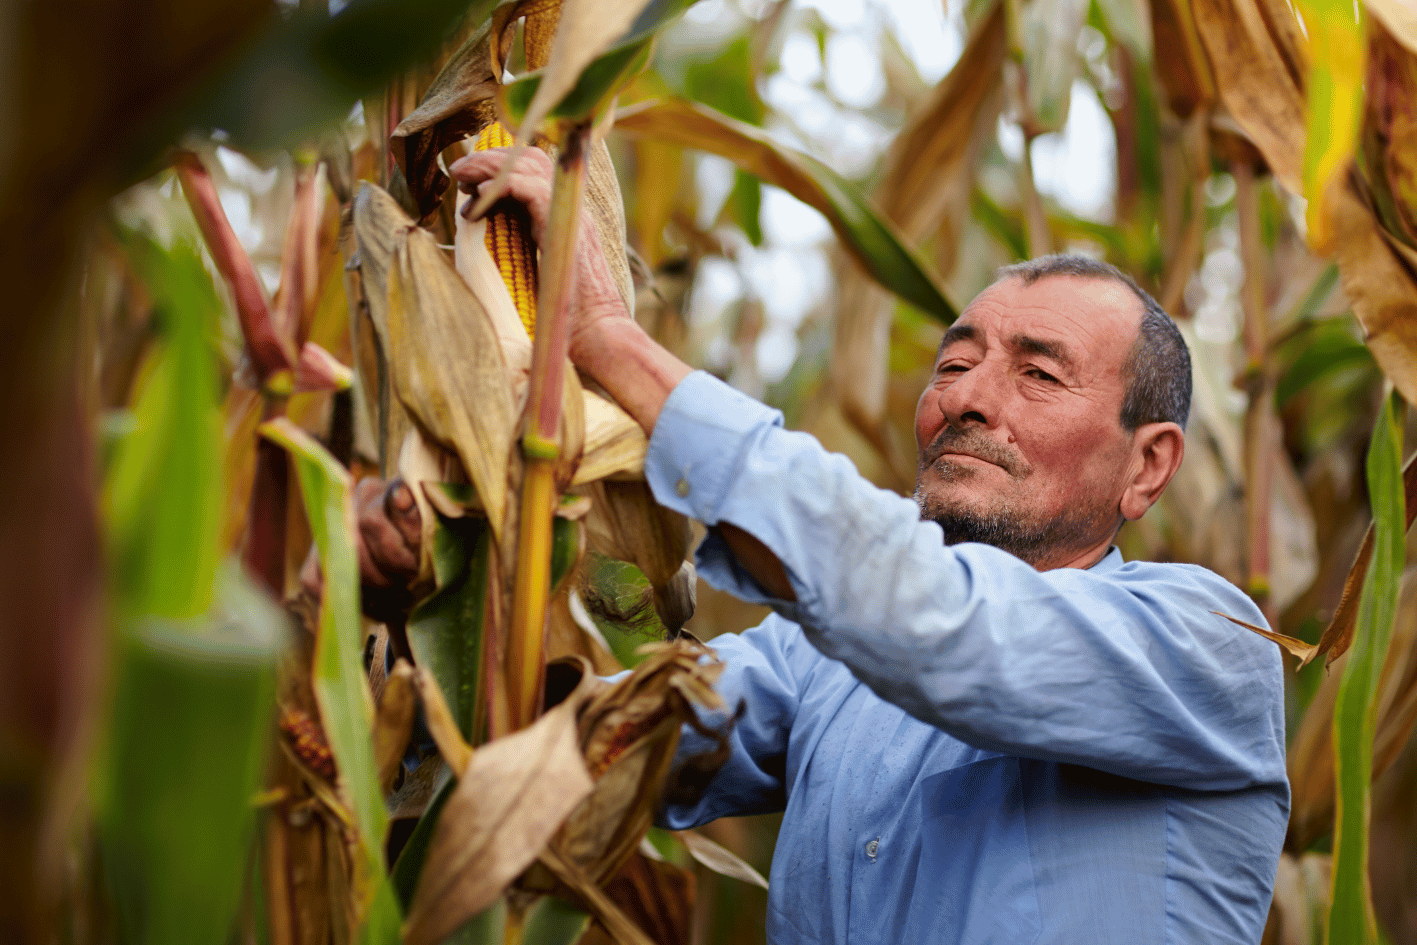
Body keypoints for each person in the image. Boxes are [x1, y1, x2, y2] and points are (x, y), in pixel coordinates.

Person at [360, 147, 1290, 944]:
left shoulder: (1210, 647)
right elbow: (569, 748)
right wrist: (436, 599)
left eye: (1038, 373)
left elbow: (941, 623)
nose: (965, 397)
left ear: (1148, 465)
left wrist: (610, 343)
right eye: (955, 363)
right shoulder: (817, 668)